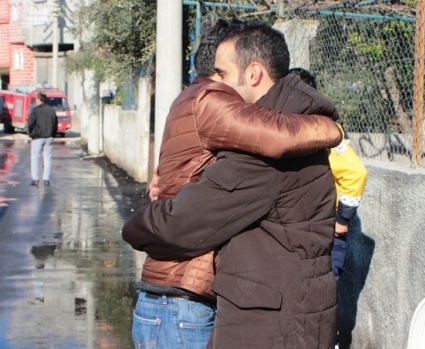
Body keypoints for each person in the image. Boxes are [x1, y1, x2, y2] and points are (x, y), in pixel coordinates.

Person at [124, 21, 341, 349]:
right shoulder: (291, 125)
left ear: (253, 74)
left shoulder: (265, 156)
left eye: (222, 75)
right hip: (294, 314)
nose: (215, 85)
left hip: (269, 326)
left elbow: (182, 223)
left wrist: (137, 222)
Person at [288, 67, 368, 281]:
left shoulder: (321, 128)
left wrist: (342, 219)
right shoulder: (311, 126)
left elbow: (355, 173)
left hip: (326, 233)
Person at [27, 92, 58, 186]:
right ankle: (46, 179)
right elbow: (55, 124)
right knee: (47, 158)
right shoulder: (51, 110)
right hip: (49, 137)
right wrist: (53, 134)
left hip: (37, 137)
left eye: (36, 99)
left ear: (39, 99)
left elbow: (30, 123)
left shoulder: (35, 110)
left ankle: (35, 179)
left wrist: (30, 134)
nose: (35, 101)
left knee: (35, 158)